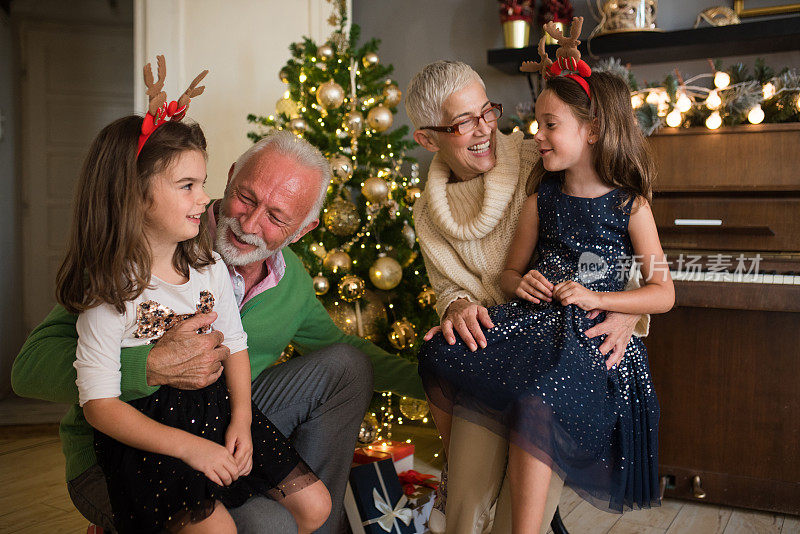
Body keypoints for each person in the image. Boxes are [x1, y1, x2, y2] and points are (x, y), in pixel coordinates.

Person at [13, 130, 425, 532]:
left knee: (347, 368)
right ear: (229, 178)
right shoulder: (136, 255)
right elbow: (28, 370)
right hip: (127, 444)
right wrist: (149, 366)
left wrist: (440, 384)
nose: (249, 222)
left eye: (277, 217)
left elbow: (336, 346)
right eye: (246, 197)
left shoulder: (285, 279)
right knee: (268, 525)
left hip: (219, 417)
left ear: (303, 230)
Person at [416, 55, 675, 534]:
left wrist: (616, 309)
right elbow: (488, 277)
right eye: (463, 122)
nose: (486, 128)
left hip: (580, 345)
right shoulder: (541, 193)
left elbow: (659, 287)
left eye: (486, 113)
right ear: (428, 138)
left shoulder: (606, 191)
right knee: (443, 356)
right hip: (520, 330)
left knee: (540, 403)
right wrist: (469, 300)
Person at [57, 112, 331, 533]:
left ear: (301, 229)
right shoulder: (111, 290)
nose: (206, 200)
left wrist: (241, 417)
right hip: (152, 435)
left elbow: (234, 344)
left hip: (219, 409)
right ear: (135, 193)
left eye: (202, 184)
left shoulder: (209, 265)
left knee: (315, 506)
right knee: (218, 529)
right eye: (188, 186)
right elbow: (100, 407)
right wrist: (193, 450)